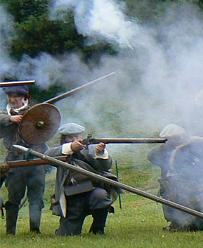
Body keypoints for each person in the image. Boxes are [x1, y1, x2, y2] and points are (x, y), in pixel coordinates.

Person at [148, 124, 203, 231]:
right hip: (176, 191)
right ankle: (181, 222)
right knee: (173, 196)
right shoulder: (164, 152)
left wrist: (193, 143)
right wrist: (166, 145)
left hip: (199, 188)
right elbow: (152, 156)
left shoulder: (194, 149)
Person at [46, 123, 117, 236]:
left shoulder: (91, 149)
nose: (75, 139)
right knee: (66, 235)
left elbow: (105, 166)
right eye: (70, 137)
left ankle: (98, 229)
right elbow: (47, 156)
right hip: (72, 197)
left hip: (92, 191)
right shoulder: (61, 151)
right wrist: (70, 148)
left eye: (77, 136)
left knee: (100, 196)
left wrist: (100, 153)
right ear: (64, 139)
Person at [0, 85, 48, 234]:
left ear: (25, 98)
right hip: (15, 159)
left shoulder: (35, 112)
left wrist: (32, 120)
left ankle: (35, 230)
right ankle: (10, 231)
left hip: (36, 159)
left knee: (36, 197)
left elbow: (47, 123)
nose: (12, 100)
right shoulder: (5, 114)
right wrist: (10, 118)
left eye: (16, 97)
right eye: (10, 96)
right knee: (14, 197)